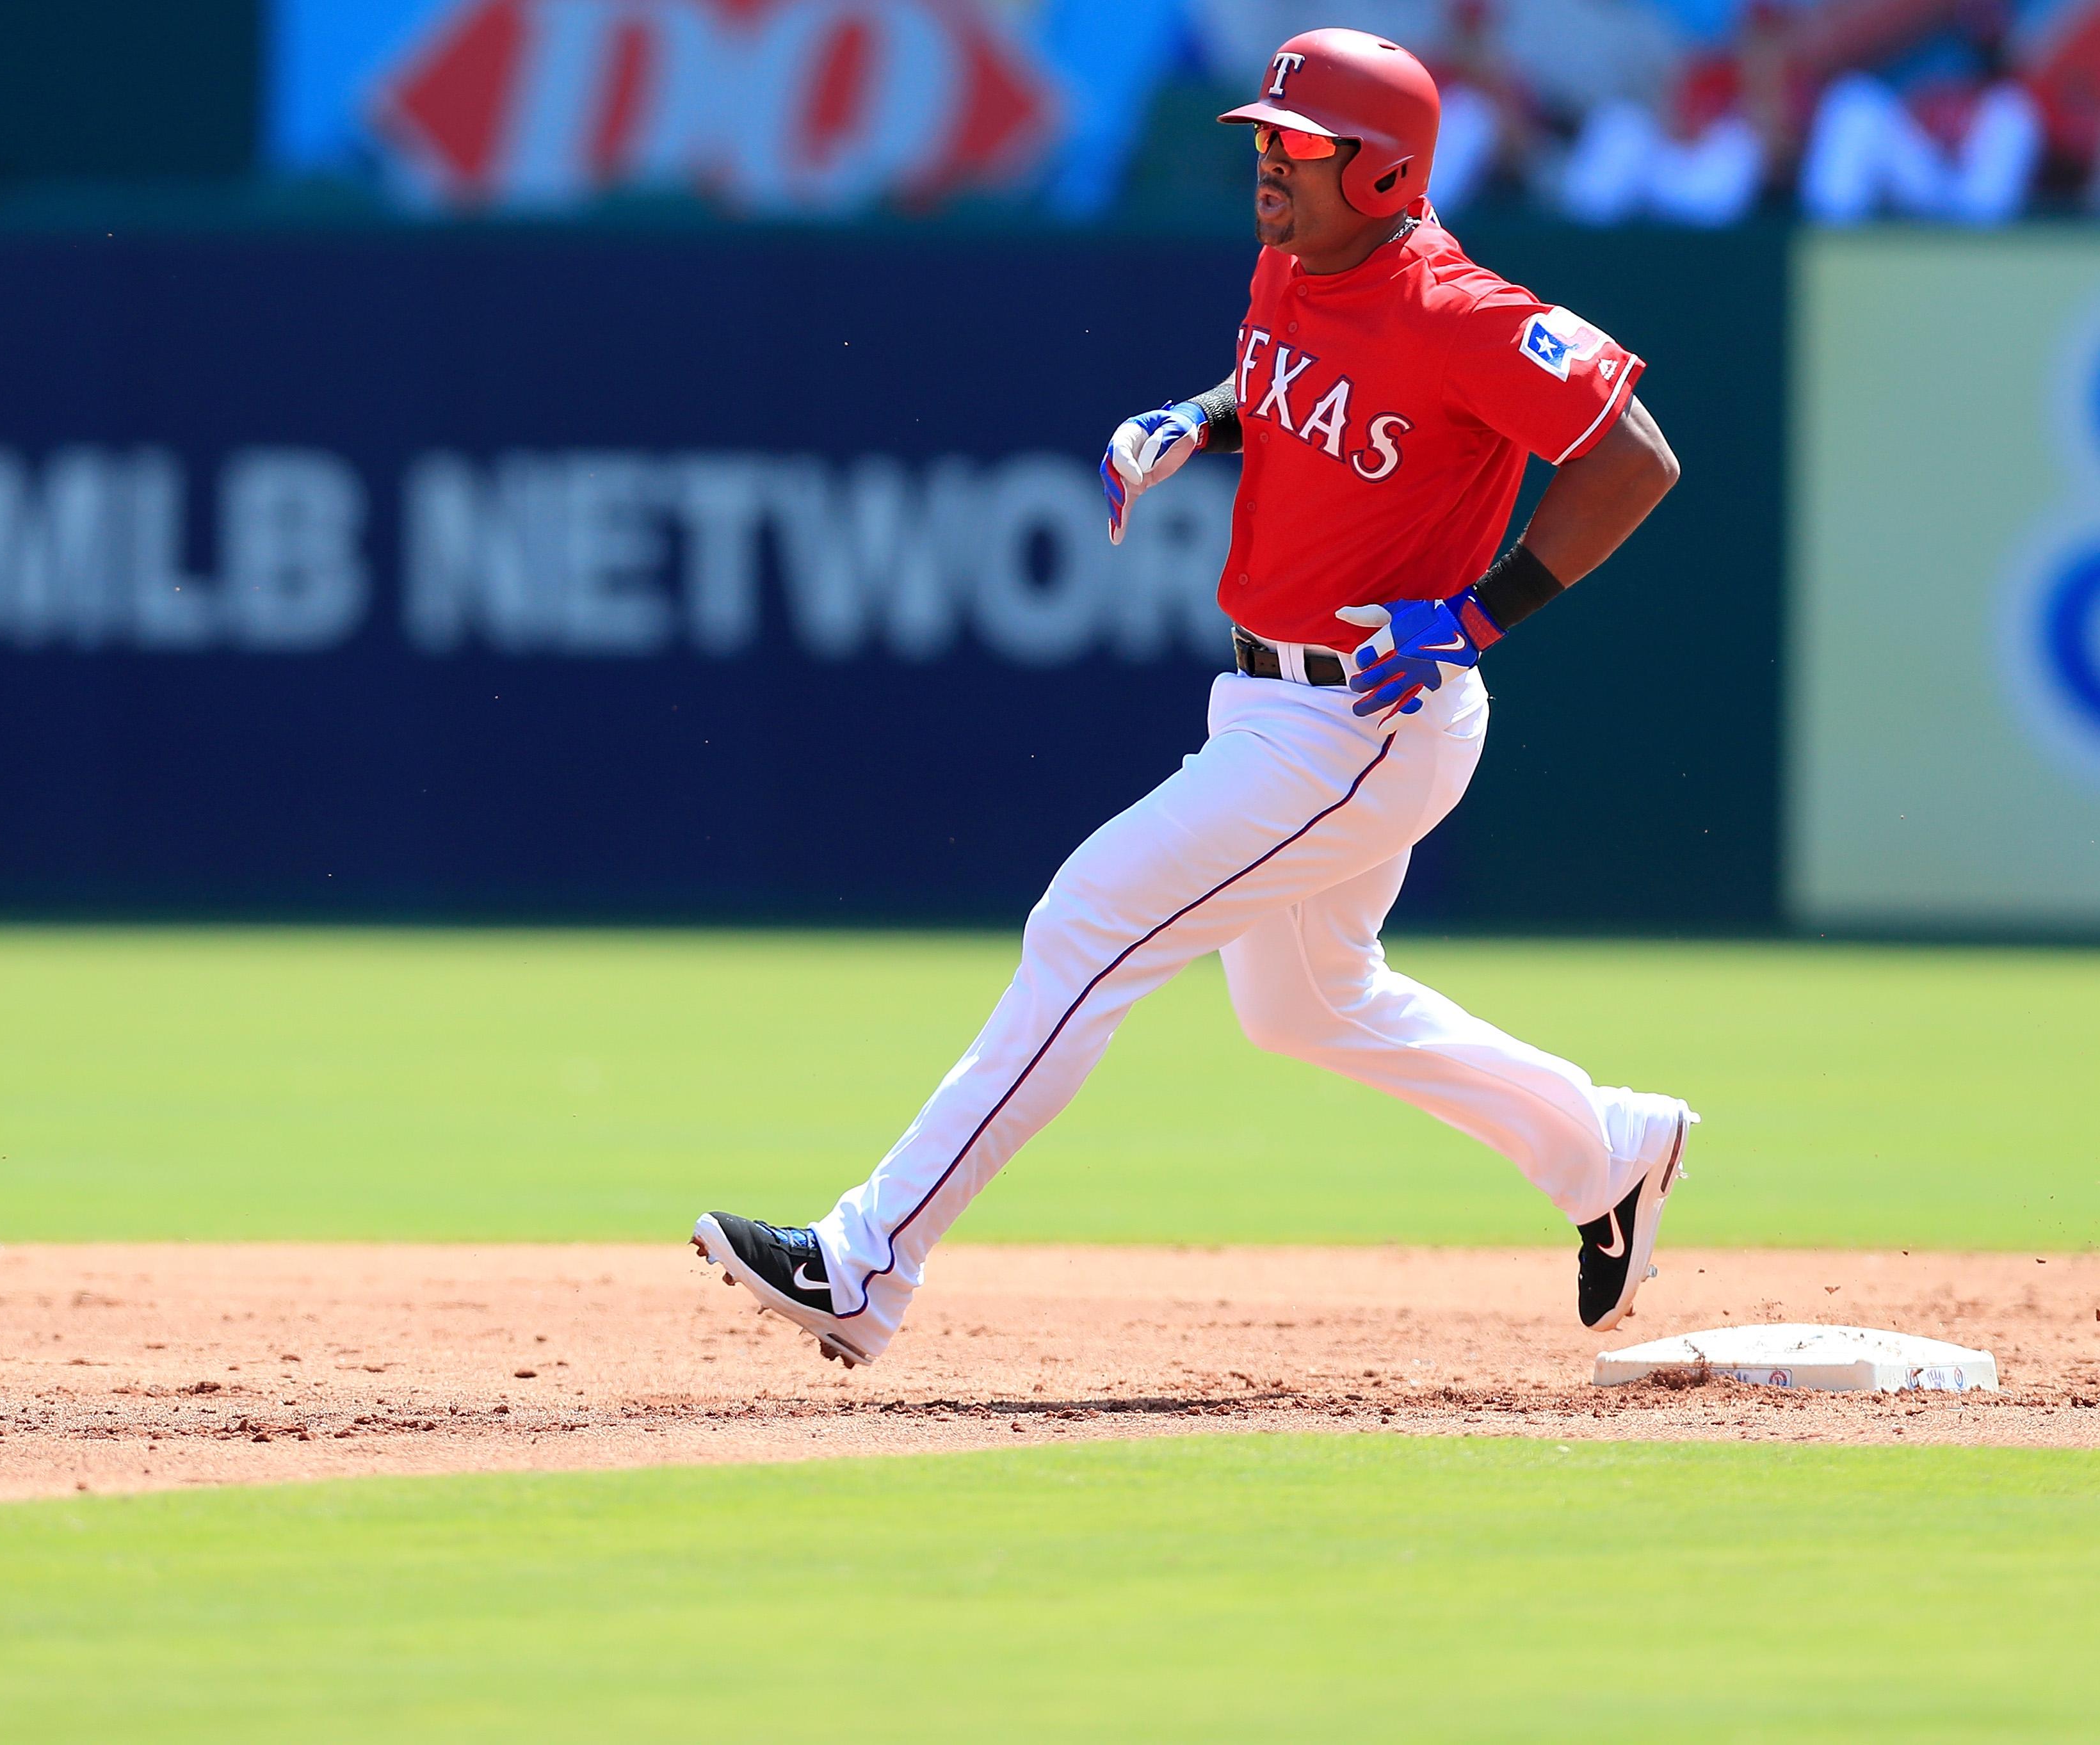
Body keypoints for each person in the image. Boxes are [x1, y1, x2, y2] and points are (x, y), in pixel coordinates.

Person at [693, 28, 1695, 1369]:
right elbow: (1284, 387)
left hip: (1363, 718)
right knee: (1301, 1005)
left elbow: (1635, 455)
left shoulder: (1461, 312)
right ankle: (1605, 1147)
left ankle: (864, 1261)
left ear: (1386, 173)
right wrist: (1195, 417)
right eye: (1262, 141)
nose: (1266, 166)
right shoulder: (1291, 261)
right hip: (1268, 705)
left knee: (1088, 914)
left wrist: (1474, 617)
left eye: (1297, 147)